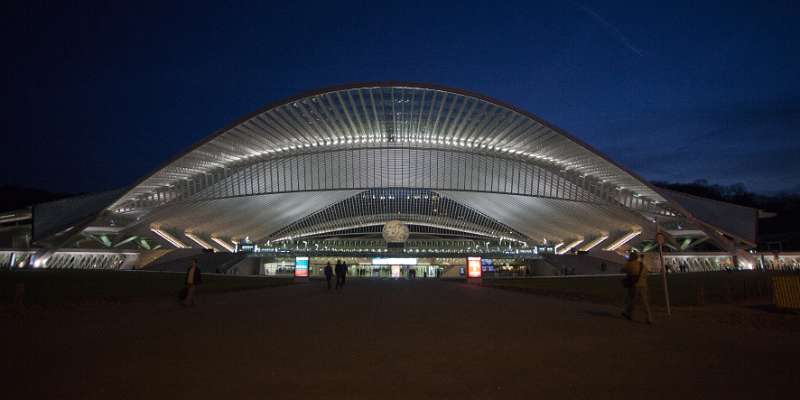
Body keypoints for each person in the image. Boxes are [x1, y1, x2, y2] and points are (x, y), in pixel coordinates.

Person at [621, 253, 652, 323]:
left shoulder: (629, 264)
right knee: (645, 302)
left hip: (634, 285)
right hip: (643, 285)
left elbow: (622, 270)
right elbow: (646, 274)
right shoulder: (642, 265)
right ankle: (649, 317)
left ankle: (629, 314)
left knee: (632, 300)